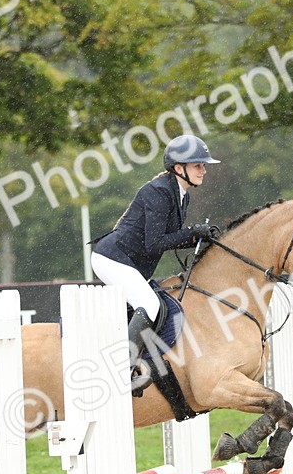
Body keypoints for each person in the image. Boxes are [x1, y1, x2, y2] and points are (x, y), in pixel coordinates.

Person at [91, 134, 221, 381]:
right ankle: (123, 369)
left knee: (151, 303)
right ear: (178, 168)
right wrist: (191, 232)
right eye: (198, 165)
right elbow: (154, 244)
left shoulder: (182, 194)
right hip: (112, 258)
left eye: (203, 165)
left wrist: (197, 237)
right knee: (149, 304)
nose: (204, 170)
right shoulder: (159, 192)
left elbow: (168, 237)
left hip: (128, 261)